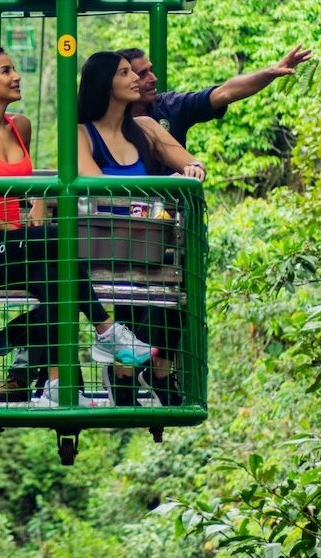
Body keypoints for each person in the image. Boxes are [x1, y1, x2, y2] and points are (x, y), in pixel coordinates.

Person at [0, 47, 154, 408]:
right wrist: (16, 235)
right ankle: (106, 330)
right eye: (6, 71)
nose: (16, 76)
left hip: (13, 248)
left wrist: (38, 202)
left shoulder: (19, 127)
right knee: (57, 240)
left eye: (14, 69)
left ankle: (56, 385)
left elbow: (27, 180)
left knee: (57, 274)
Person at [76, 51, 205, 406]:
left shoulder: (147, 128)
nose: (136, 78)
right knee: (157, 282)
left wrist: (191, 171)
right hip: (104, 240)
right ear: (105, 84)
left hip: (146, 239)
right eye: (125, 73)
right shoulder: (82, 135)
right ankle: (141, 369)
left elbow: (189, 162)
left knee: (182, 276)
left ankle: (143, 369)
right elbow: (94, 184)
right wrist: (153, 192)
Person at [117, 44, 313, 147]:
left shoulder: (170, 106)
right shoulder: (104, 121)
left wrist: (270, 72)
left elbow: (226, 92)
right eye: (143, 75)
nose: (153, 78)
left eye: (151, 70)